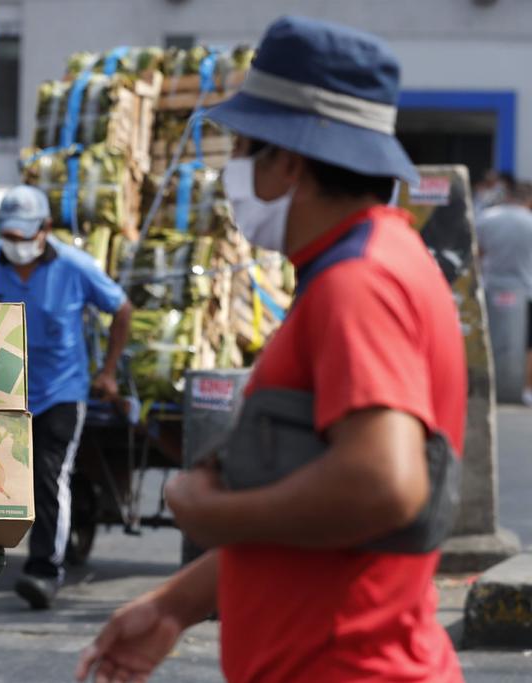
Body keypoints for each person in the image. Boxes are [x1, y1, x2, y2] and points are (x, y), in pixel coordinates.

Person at [78, 16, 466, 683]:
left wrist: (211, 513)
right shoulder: (373, 261)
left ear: (287, 161)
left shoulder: (358, 283)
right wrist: (176, 603)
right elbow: (319, 522)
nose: (230, 169)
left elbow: (382, 484)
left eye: (240, 148)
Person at [0, 185, 132, 609]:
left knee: (49, 474)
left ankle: (44, 570)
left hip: (61, 390)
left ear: (45, 229)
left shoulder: (75, 266)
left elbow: (121, 308)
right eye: (9, 235)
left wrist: (108, 372)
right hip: (2, 389)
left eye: (23, 235)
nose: (15, 244)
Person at [476, 180, 532, 405]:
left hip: (490, 287)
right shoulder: (530, 221)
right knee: (529, 344)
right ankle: (527, 389)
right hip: (527, 289)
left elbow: (477, 253)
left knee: (486, 340)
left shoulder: (486, 218)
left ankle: (485, 385)